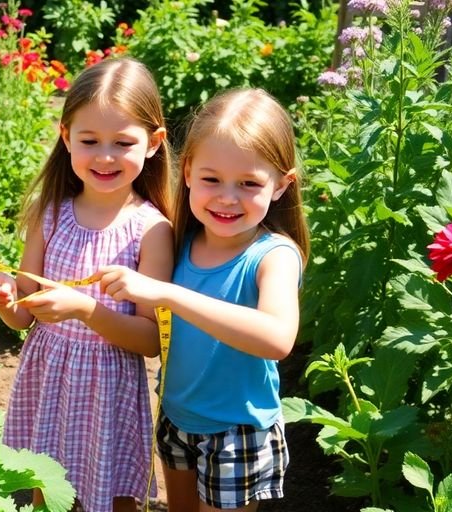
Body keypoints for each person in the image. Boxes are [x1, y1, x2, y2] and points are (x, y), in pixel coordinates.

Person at [0, 58, 174, 512]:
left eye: (123, 142)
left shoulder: (151, 229)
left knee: (111, 494)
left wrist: (86, 310)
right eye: (89, 141)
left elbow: (150, 341)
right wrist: (1, 297)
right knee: (49, 492)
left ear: (153, 143)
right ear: (66, 137)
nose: (105, 156)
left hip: (108, 389)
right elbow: (24, 314)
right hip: (48, 381)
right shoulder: (50, 214)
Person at [98, 88, 309, 512]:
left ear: (281, 186)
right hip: (176, 416)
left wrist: (170, 295)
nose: (227, 197)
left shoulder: (273, 256)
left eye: (249, 183)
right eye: (211, 179)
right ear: (188, 171)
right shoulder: (181, 239)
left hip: (238, 431)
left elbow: (277, 338)